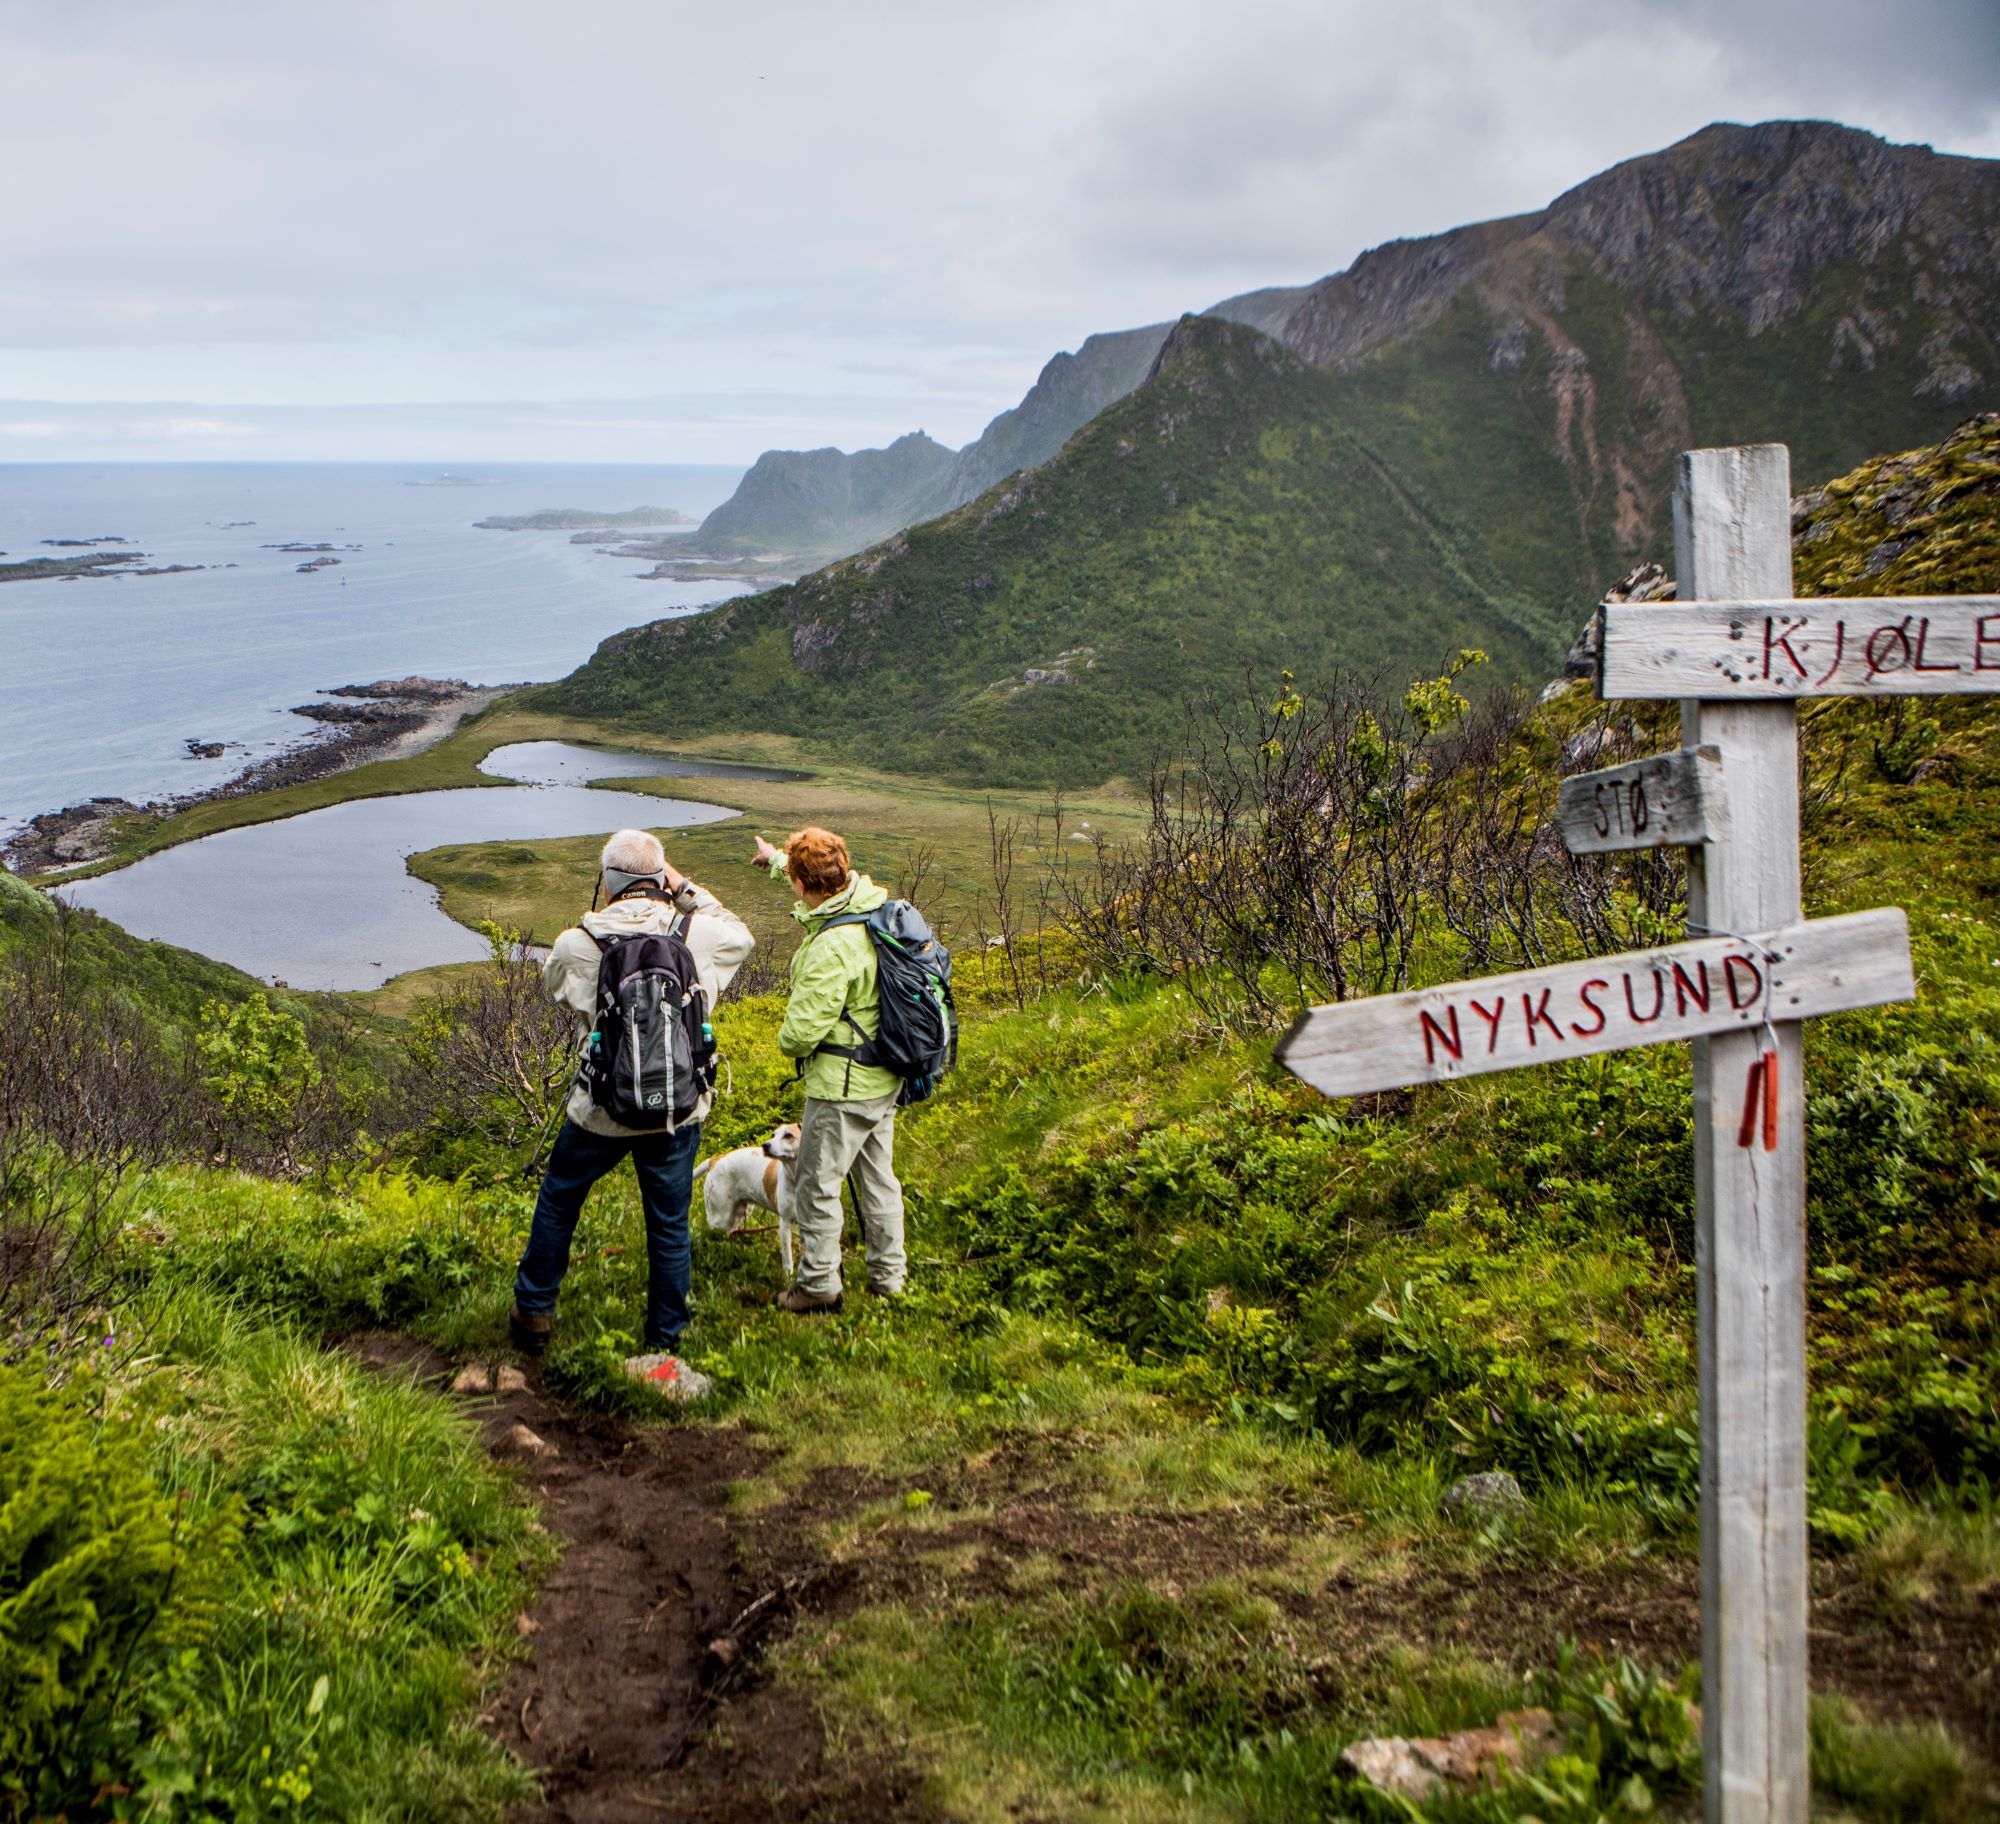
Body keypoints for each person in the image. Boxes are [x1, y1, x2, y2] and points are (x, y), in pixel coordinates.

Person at [509, 828, 754, 1396]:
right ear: (661, 875)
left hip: (600, 1107)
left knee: (560, 1198)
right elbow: (743, 936)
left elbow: (559, 989)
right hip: (678, 1109)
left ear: (608, 882)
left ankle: (535, 1313)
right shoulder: (703, 933)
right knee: (668, 1223)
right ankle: (665, 1342)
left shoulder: (578, 942)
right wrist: (685, 888)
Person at [754, 826, 906, 1313]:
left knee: (817, 1186)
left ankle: (819, 1286)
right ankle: (889, 1277)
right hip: (883, 1075)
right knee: (878, 1179)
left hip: (841, 1087)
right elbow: (818, 898)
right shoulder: (867, 905)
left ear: (804, 884)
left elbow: (798, 1036)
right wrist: (777, 859)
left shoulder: (830, 949)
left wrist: (783, 1038)